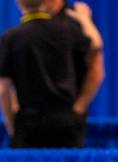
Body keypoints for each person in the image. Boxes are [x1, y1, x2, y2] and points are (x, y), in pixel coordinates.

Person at [0, 0, 97, 148]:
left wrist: (11, 125)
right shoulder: (68, 32)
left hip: (29, 123)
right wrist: (86, 19)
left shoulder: (10, 38)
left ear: (18, 3)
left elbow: (3, 89)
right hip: (66, 123)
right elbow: (96, 47)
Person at [44, 0, 105, 145]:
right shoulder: (32, 27)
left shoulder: (74, 23)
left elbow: (95, 48)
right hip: (35, 118)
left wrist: (79, 107)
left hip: (68, 116)